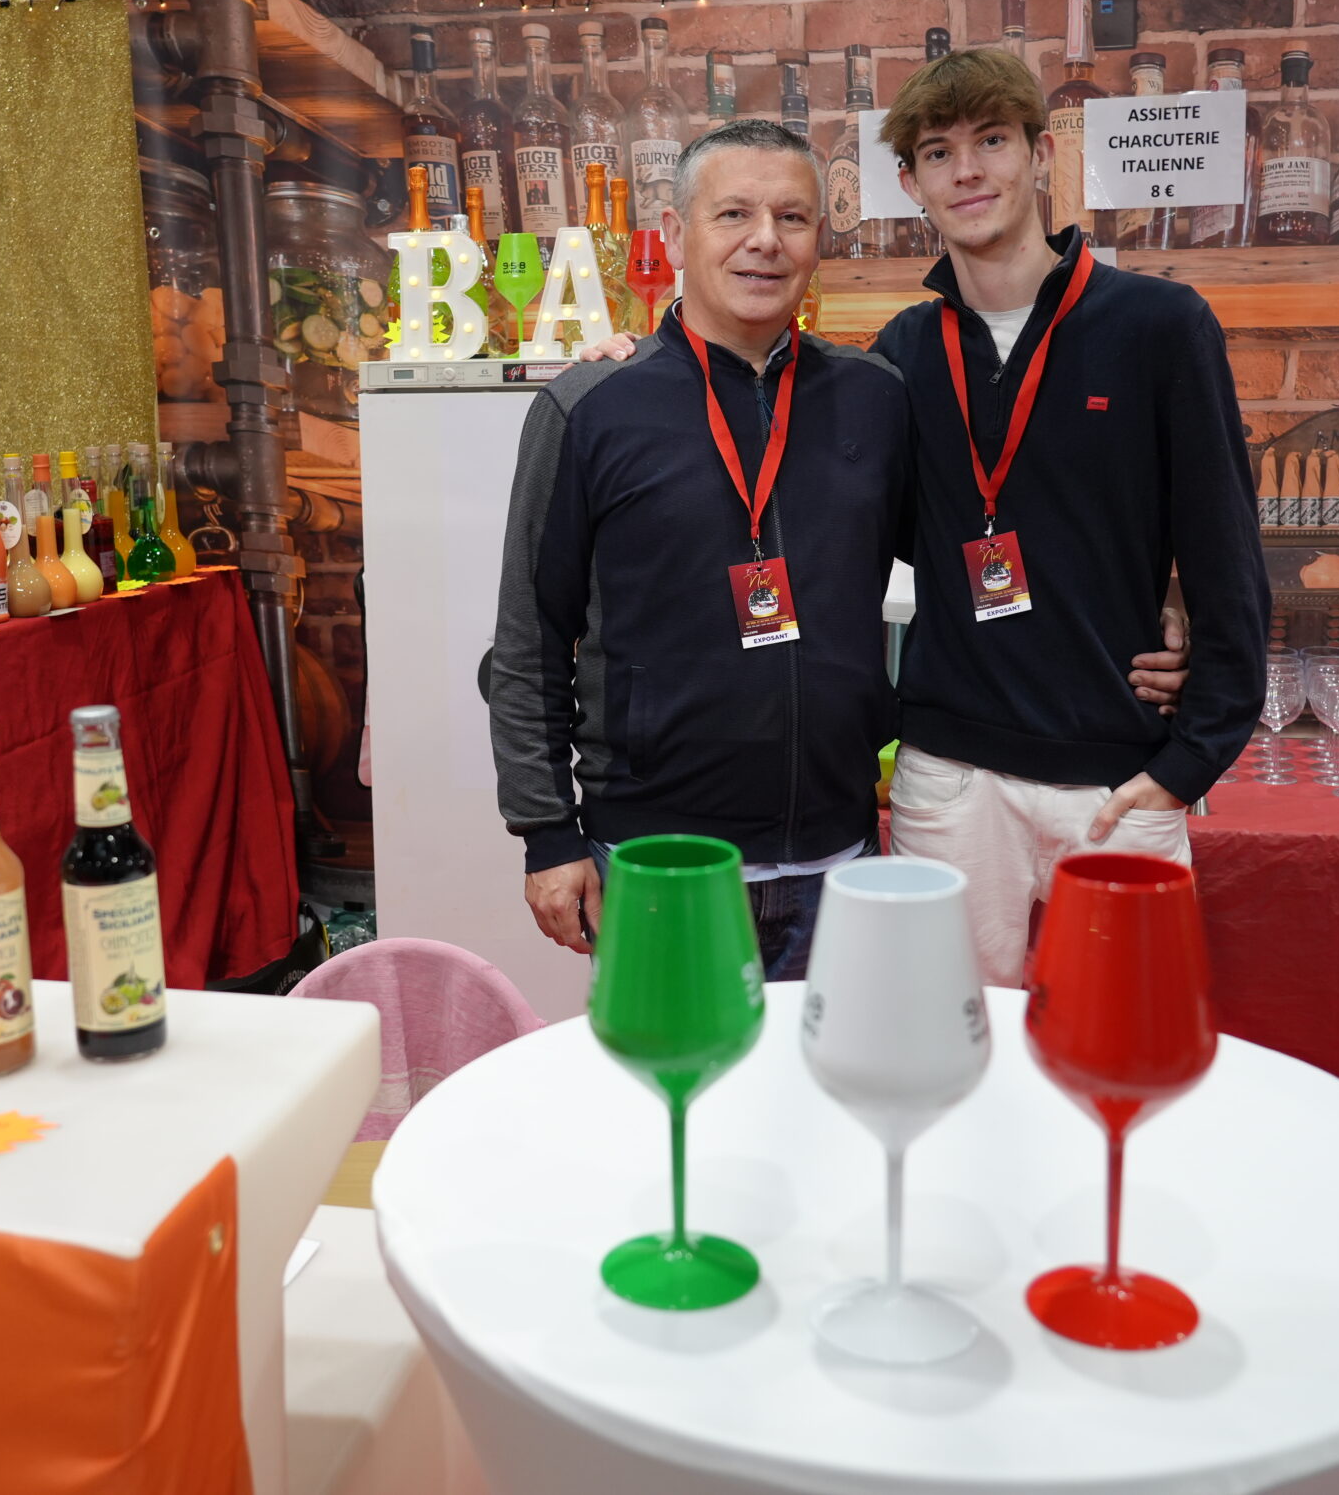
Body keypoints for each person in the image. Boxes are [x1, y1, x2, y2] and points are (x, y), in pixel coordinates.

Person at [490, 121, 1188, 981]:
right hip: (659, 863)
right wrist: (546, 833)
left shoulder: (873, 395)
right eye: (733, 214)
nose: (765, 240)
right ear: (674, 233)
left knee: (841, 1068)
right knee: (680, 1069)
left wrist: (1155, 606)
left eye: (792, 217)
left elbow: (973, 541)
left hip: (839, 862)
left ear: (818, 236)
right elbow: (528, 641)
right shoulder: (590, 407)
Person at [870, 48, 1267, 986]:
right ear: (912, 184)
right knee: (947, 1048)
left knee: (1126, 1050)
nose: (967, 171)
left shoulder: (1161, 327)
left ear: (1041, 154)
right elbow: (861, 535)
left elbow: (1226, 557)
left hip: (1120, 784)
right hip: (950, 782)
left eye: (991, 141)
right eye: (938, 152)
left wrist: (1191, 760)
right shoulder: (901, 354)